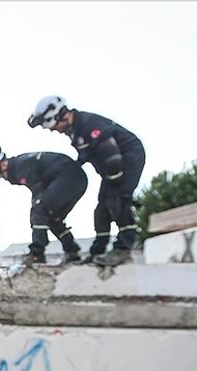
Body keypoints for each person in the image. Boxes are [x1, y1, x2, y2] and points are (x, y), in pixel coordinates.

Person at [28, 96, 145, 266]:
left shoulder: (87, 124)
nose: (55, 130)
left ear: (61, 115)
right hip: (110, 167)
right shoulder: (75, 130)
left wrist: (116, 182)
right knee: (101, 208)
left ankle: (123, 248)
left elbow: (111, 154)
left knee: (118, 199)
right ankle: (98, 251)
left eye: (54, 126)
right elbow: (87, 155)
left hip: (127, 158)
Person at [0, 146, 88, 265]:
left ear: (3, 165)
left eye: (0, 175)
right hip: (76, 179)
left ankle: (36, 254)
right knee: (52, 217)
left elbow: (38, 193)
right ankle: (72, 251)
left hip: (68, 177)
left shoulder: (21, 167)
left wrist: (36, 212)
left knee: (39, 211)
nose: (3, 178)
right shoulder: (20, 164)